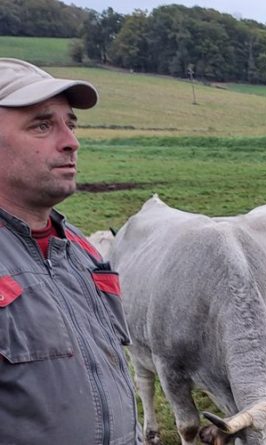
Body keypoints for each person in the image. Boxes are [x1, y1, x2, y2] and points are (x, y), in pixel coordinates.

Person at [0, 58, 140, 444]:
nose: (71, 141)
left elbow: (111, 383)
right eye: (42, 125)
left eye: (71, 123)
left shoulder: (83, 252)